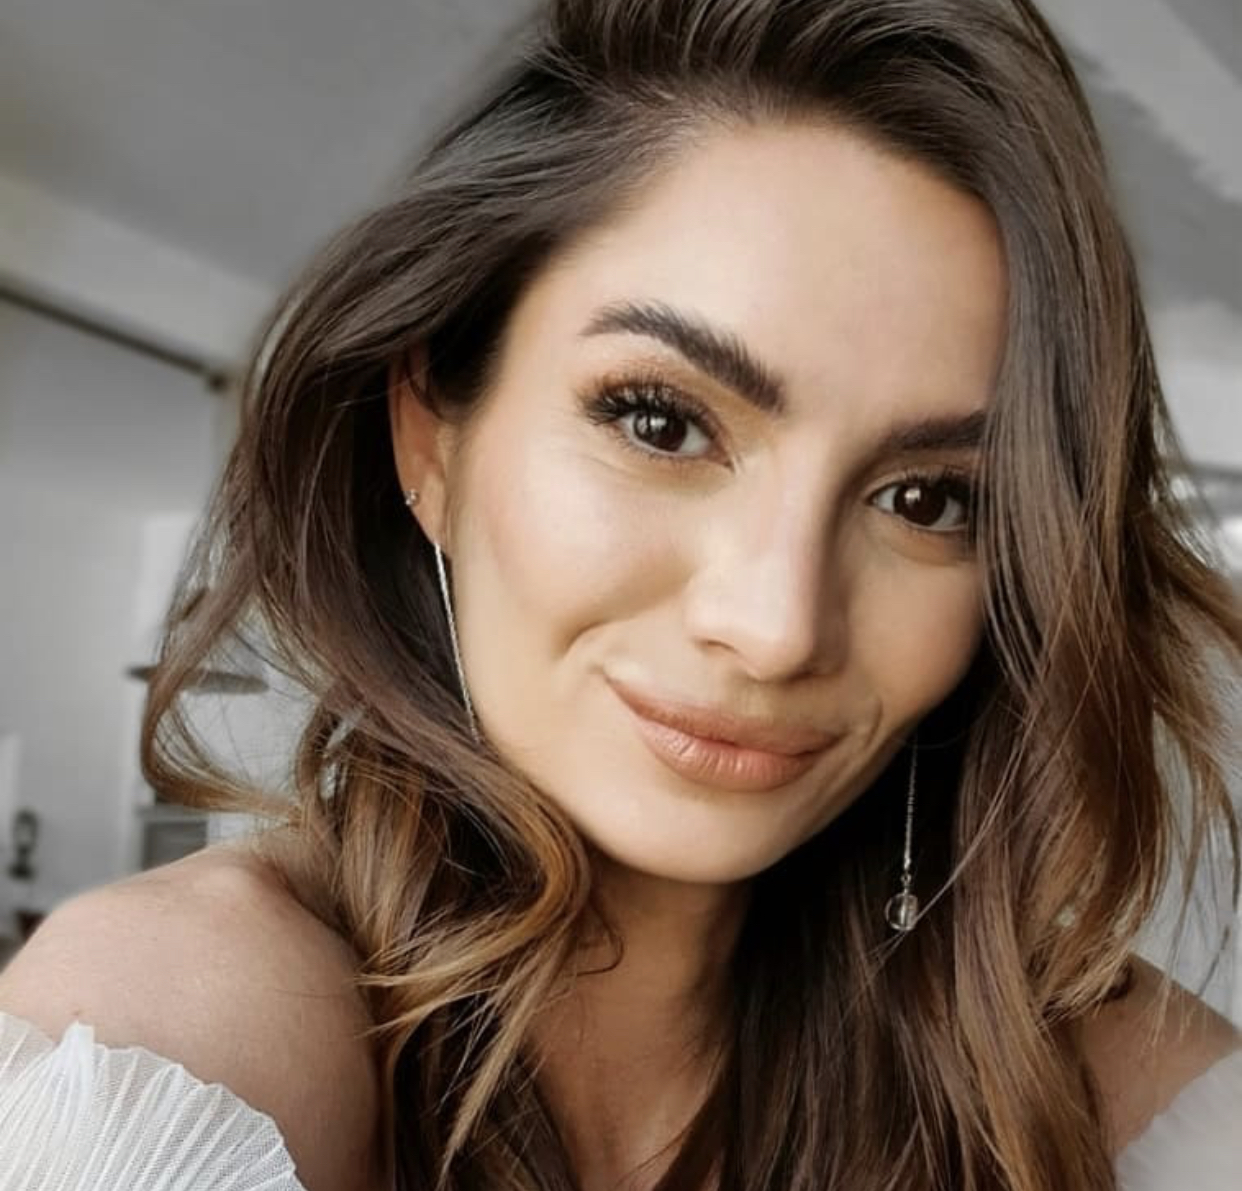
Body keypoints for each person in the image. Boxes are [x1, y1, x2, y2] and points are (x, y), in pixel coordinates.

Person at [1, 0, 1239, 1188]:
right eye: (660, 423)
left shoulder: (1094, 1086)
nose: (776, 627)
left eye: (928, 500)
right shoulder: (182, 1031)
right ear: (432, 437)